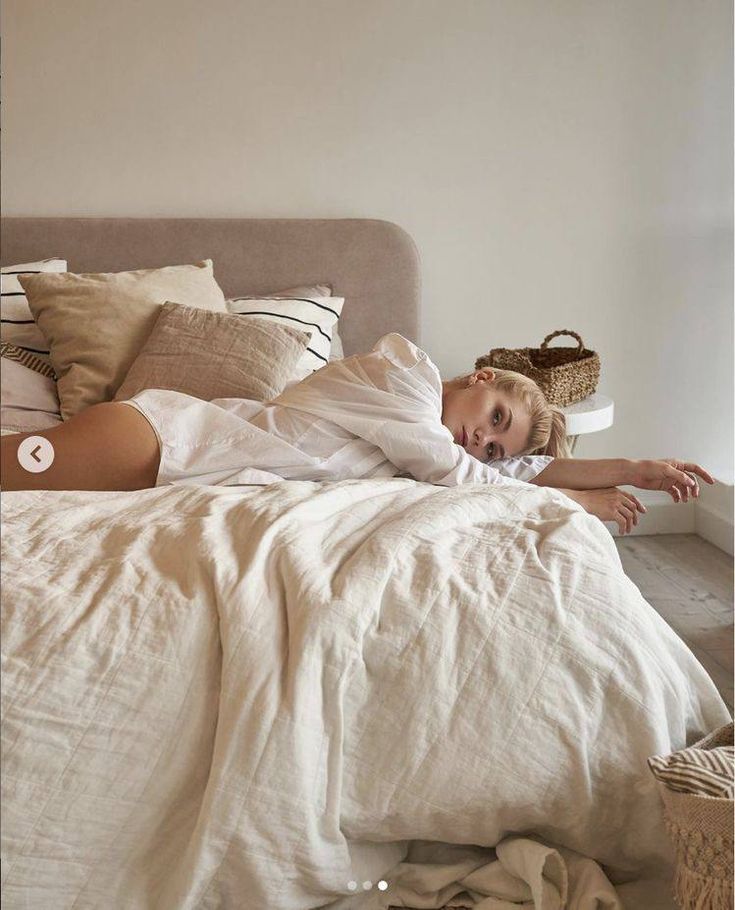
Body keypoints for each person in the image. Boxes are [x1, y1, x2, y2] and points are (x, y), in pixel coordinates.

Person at [0, 333, 713, 534]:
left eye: (494, 444)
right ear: (481, 376)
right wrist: (574, 505)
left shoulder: (421, 448)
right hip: (161, 441)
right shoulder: (402, 377)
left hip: (172, 476)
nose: (480, 443)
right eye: (492, 420)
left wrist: (639, 467)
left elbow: (509, 477)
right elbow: (467, 478)